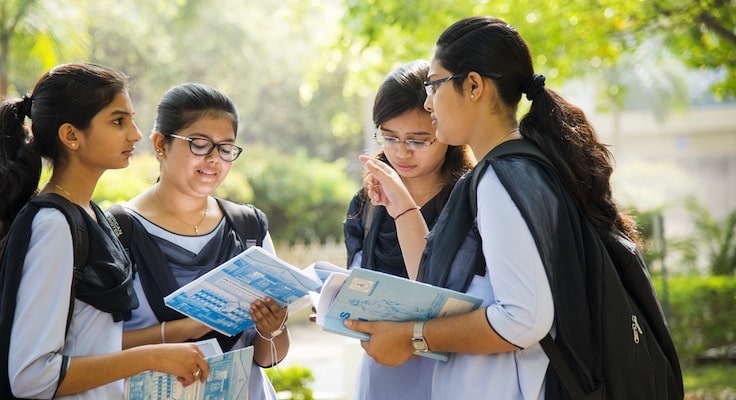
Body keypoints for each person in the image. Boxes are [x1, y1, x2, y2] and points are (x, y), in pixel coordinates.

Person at [349, 16, 642, 399]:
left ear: (473, 86)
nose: (427, 102)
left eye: (434, 86)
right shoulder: (519, 166)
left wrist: (413, 338)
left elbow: (523, 319)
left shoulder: (503, 178)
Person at [0, 63, 209, 400]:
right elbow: (32, 376)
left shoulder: (88, 214)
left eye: (131, 119)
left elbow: (91, 343)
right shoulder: (55, 227)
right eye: (118, 121)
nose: (135, 134)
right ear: (71, 135)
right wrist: (154, 357)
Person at [113, 83, 288, 400]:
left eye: (225, 148)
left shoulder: (248, 226)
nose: (214, 159)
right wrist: (183, 330)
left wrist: (272, 327)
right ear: (160, 144)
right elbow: (92, 348)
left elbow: (268, 357)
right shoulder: (117, 231)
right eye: (199, 144)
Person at [342, 60, 473, 400]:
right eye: (389, 137)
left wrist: (404, 210)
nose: (401, 152)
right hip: (382, 369)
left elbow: (441, 292)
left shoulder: (469, 199)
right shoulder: (367, 200)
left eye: (418, 140)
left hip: (455, 368)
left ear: (446, 132)